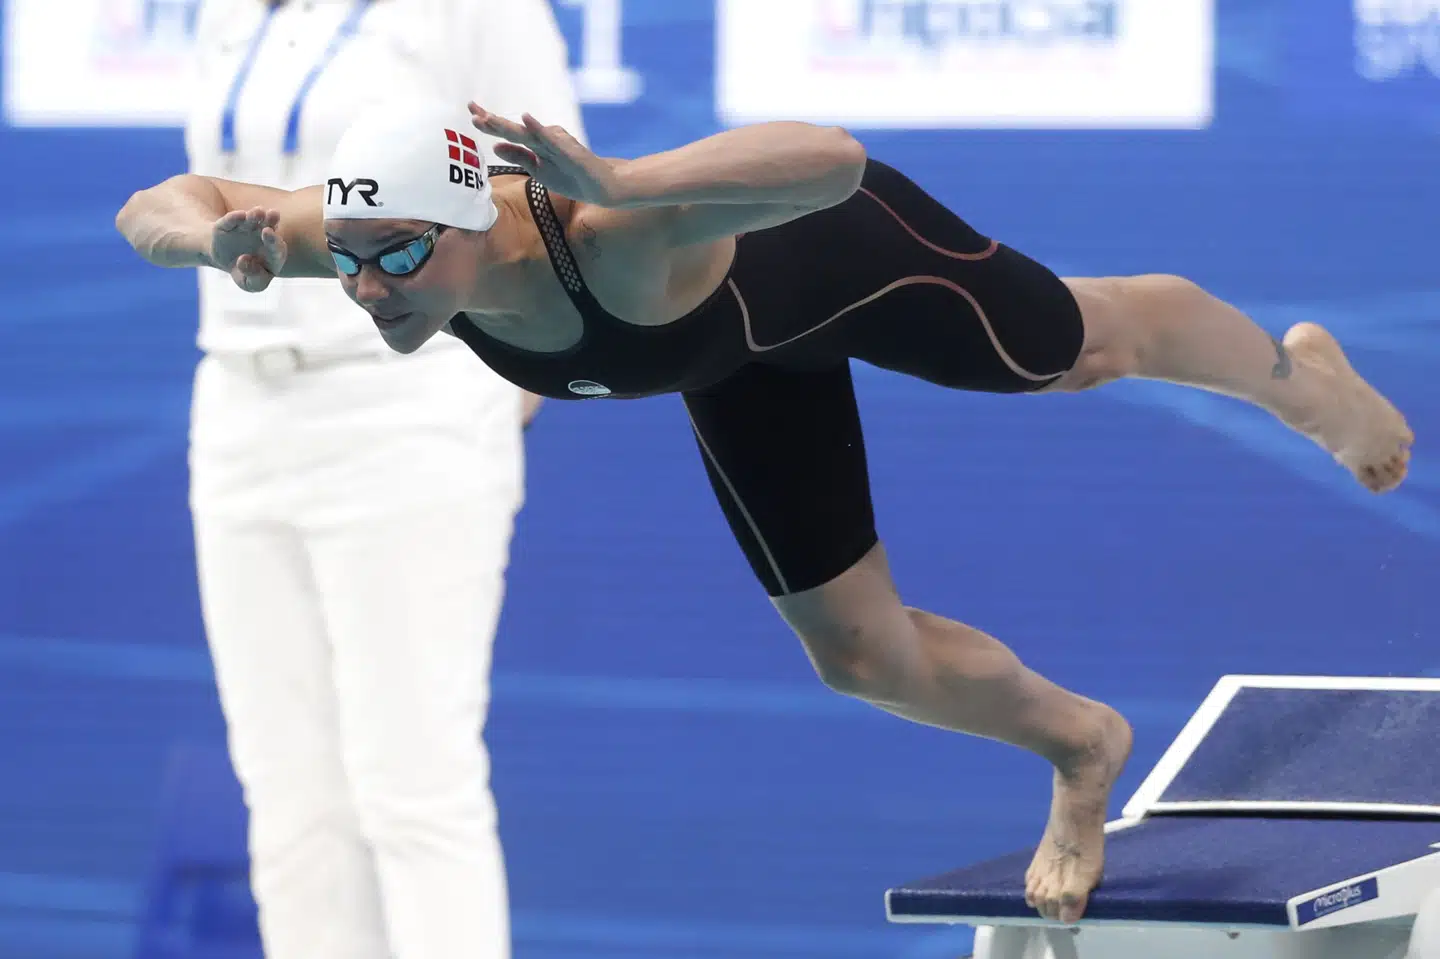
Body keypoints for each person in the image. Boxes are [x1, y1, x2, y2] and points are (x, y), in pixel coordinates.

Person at [115, 100, 1414, 928]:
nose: (368, 289)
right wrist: (207, 243)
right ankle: (1083, 747)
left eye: (399, 258)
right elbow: (168, 197)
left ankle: (1301, 385)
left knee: (1073, 349)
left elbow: (835, 157)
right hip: (727, 359)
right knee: (860, 656)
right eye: (346, 257)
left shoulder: (610, 230)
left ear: (475, 223)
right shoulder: (361, 240)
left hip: (836, 263)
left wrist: (629, 170)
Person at [173, 4, 584, 958]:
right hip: (237, 407)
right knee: (285, 790)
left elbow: (553, 215)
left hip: (405, 406)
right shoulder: (229, 12)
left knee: (413, 784)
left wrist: (482, 413)